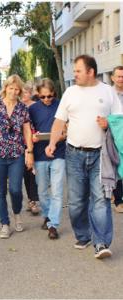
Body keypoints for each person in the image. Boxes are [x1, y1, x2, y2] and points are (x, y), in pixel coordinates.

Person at [46, 55, 122, 259]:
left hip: (101, 154)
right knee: (77, 201)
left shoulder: (108, 92)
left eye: (78, 71)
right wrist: (52, 143)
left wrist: (108, 123)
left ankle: (101, 242)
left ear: (90, 72)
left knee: (101, 199)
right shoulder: (70, 92)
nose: (75, 74)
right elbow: (59, 122)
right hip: (74, 154)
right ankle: (82, 234)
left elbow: (119, 120)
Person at [0, 74, 34, 239]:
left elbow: (26, 130)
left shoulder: (22, 108)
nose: (13, 91)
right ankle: (5, 223)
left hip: (17, 153)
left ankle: (17, 213)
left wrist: (29, 152)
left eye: (17, 89)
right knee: (0, 190)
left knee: (15, 189)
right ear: (6, 88)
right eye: (11, 88)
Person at [29, 78, 66, 240]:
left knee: (57, 191)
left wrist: (59, 137)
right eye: (43, 97)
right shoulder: (33, 109)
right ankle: (47, 214)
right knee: (42, 191)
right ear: (38, 95)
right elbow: (28, 131)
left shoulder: (61, 105)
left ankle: (53, 224)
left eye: (50, 96)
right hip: (39, 155)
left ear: (54, 94)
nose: (47, 99)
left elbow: (66, 130)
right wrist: (33, 138)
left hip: (59, 153)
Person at [21, 82, 40, 215]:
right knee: (26, 173)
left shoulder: (35, 107)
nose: (23, 95)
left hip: (34, 142)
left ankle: (33, 200)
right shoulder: (17, 106)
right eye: (21, 92)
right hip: (19, 144)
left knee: (32, 172)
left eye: (26, 92)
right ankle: (30, 198)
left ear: (30, 93)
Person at [110, 66, 123, 213]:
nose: (120, 79)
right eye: (118, 76)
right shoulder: (109, 94)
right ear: (112, 78)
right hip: (112, 134)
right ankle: (118, 200)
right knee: (116, 166)